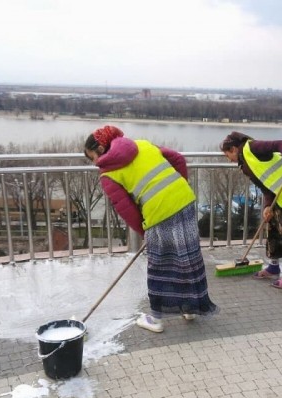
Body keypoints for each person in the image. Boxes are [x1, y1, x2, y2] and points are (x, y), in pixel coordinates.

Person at [84, 125, 217, 333]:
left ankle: (155, 318)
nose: (95, 164)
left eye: (92, 158)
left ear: (100, 149)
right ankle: (190, 307)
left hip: (159, 213)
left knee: (160, 266)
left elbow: (126, 209)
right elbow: (178, 159)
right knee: (188, 258)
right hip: (185, 200)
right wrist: (177, 189)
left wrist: (144, 230)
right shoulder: (142, 145)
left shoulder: (108, 173)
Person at [220, 131, 282, 288]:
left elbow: (281, 143)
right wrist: (267, 206)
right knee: (272, 226)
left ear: (234, 149)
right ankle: (274, 266)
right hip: (278, 194)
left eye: (227, 155)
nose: (228, 159)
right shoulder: (244, 162)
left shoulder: (253, 148)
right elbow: (265, 184)